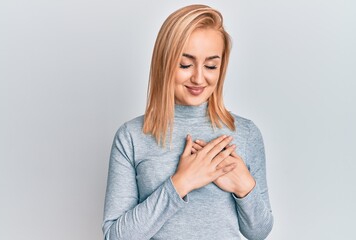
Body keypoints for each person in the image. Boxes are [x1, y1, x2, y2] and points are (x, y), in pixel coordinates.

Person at [102, 4, 273, 240]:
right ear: (164, 62)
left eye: (211, 65)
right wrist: (181, 183)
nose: (199, 77)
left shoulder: (245, 133)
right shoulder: (132, 136)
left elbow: (259, 232)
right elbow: (115, 236)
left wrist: (245, 187)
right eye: (185, 64)